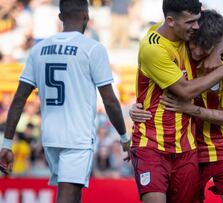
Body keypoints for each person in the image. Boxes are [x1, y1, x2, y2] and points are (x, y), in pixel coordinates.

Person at [0, 1, 130, 203]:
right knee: (68, 196)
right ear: (86, 16)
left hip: (50, 137)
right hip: (77, 137)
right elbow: (110, 101)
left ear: (60, 17)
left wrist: (7, 143)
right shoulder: (93, 49)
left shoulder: (38, 49)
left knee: (73, 194)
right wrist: (123, 136)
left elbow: (18, 99)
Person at [130, 1, 223, 203]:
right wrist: (135, 108)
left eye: (204, 49)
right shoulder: (169, 42)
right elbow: (183, 90)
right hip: (179, 146)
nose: (196, 54)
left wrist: (219, 56)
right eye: (193, 47)